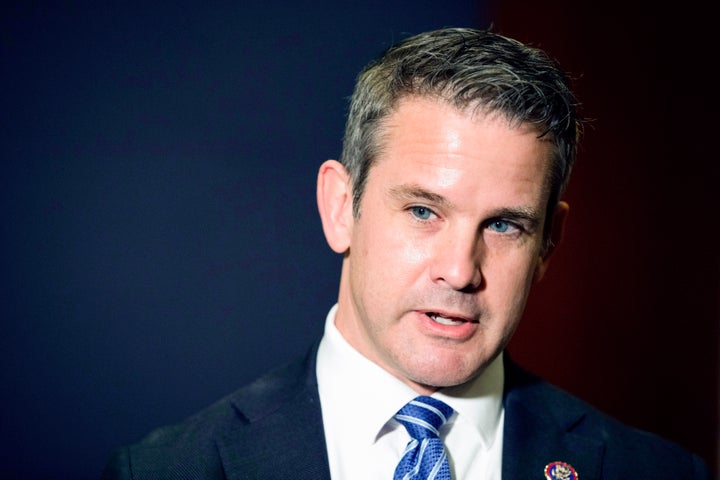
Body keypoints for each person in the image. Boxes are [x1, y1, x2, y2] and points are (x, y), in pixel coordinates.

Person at [101, 27, 710, 479]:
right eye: (423, 211)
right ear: (342, 207)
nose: (460, 270)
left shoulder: (656, 472)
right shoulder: (167, 470)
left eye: (503, 226)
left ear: (549, 243)